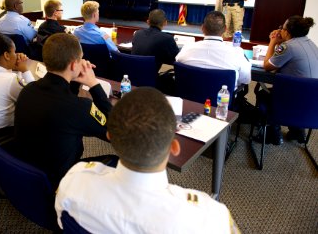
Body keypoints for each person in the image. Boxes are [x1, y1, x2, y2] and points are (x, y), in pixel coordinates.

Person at [55, 87, 240, 233]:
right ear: (174, 148)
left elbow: (62, 221)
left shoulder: (73, 181)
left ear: (110, 136)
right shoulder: (210, 218)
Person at [13, 33, 113, 188]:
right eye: (81, 59)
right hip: (60, 182)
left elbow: (63, 98)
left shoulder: (28, 89)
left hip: (25, 172)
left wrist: (73, 80)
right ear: (74, 65)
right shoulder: (80, 107)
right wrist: (93, 84)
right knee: (116, 161)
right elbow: (114, 132)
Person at [257, 16, 317, 144]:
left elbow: (267, 66)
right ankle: (298, 131)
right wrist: (280, 42)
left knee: (262, 94)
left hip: (291, 99)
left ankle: (274, 134)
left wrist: (273, 41)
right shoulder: (311, 43)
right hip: (312, 103)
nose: (279, 30)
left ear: (288, 32)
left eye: (282, 28)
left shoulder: (287, 46)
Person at [176, 11, 251, 87]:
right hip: (222, 98)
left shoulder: (187, 48)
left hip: (187, 97)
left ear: (202, 28)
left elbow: (177, 63)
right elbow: (245, 79)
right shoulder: (237, 53)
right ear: (225, 28)